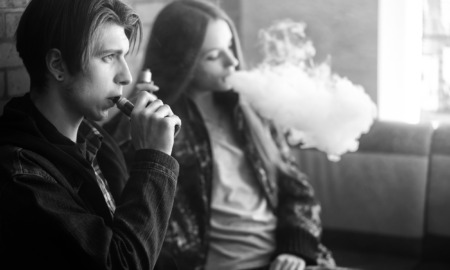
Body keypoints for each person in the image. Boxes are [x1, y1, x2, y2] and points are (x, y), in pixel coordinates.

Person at [105, 0, 336, 269]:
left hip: (290, 261)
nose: (233, 61)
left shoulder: (253, 112)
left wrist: (295, 250)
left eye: (230, 46)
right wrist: (132, 120)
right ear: (182, 62)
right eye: (214, 56)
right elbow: (127, 194)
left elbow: (298, 192)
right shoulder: (159, 124)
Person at [0, 0, 181, 269]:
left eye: (124, 56)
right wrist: (154, 158)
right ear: (58, 65)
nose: (126, 76)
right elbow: (120, 263)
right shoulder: (21, 176)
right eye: (108, 57)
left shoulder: (94, 138)